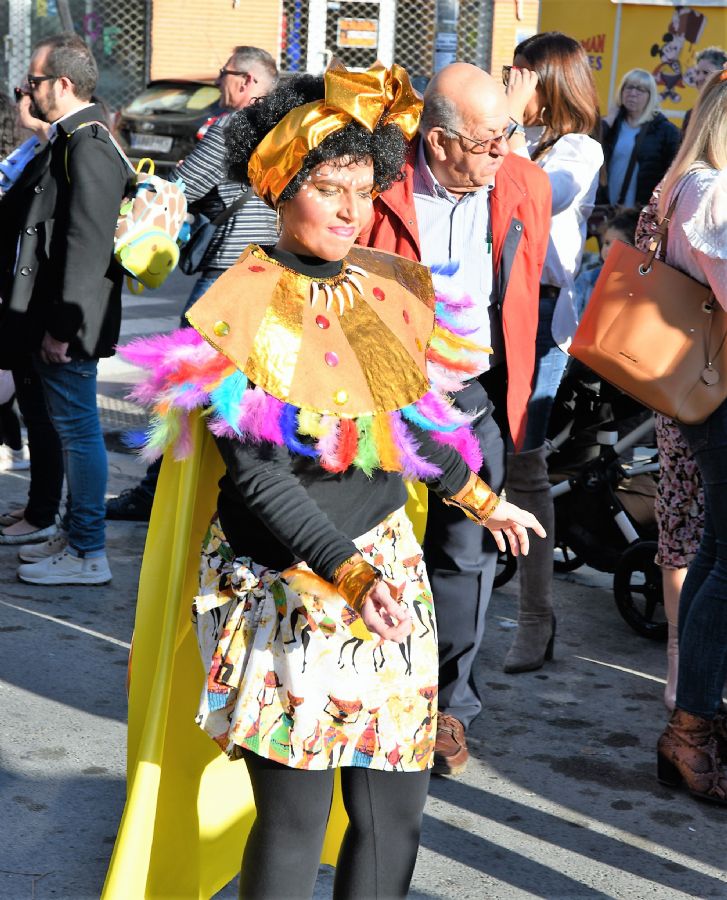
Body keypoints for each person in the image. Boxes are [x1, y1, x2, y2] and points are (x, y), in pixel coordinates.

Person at [121, 63, 545, 897]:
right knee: (293, 821)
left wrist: (482, 497)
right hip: (289, 582)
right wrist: (347, 576)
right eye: (327, 186)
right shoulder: (238, 304)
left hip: (391, 570)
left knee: (396, 809)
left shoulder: (382, 287)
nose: (351, 209)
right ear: (283, 189)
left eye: (362, 186)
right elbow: (257, 484)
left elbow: (412, 416)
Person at [359, 62, 552, 774]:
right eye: (489, 139)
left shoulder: (521, 184)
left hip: (470, 397)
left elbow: (526, 290)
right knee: (362, 537)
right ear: (437, 142)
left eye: (508, 134)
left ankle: (449, 706)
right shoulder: (377, 180)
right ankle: (361, 685)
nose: (505, 151)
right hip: (377, 393)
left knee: (465, 554)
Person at [105, 46, 279, 523]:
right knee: (246, 392)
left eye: (223, 75)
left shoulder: (230, 129)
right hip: (275, 277)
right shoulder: (292, 130)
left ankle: (152, 491)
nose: (220, 83)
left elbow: (180, 188)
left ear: (245, 82)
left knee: (178, 380)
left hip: (226, 274)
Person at [0, 33, 129, 584]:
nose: (28, 91)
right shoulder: (72, 137)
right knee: (66, 425)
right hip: (54, 316)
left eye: (35, 81)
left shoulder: (90, 143)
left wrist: (61, 328)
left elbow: (86, 245)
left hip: (70, 321)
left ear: (63, 84)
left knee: (78, 431)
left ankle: (87, 552)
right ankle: (72, 533)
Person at [501, 31, 603, 673]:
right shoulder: (513, 134)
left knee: (524, 463)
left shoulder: (579, 148)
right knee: (474, 458)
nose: (509, 83)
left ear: (551, 81)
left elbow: (543, 196)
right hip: (485, 304)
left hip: (540, 313)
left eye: (520, 74)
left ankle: (536, 616)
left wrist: (504, 125)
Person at [654, 69, 727, 805]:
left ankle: (691, 719)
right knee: (722, 560)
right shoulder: (710, 192)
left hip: (702, 388)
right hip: (716, 390)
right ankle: (692, 723)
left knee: (712, 552)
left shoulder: (687, 183)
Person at [599, 68, 679, 211]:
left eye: (640, 89)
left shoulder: (665, 130)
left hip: (640, 212)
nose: (633, 93)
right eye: (629, 87)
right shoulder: (611, 125)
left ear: (650, 96)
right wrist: (608, 120)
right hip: (607, 209)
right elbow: (589, 147)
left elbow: (673, 174)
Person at [682, 46, 727, 135]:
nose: (699, 78)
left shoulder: (724, 112)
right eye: (697, 72)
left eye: (706, 73)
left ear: (723, 76)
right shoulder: (691, 114)